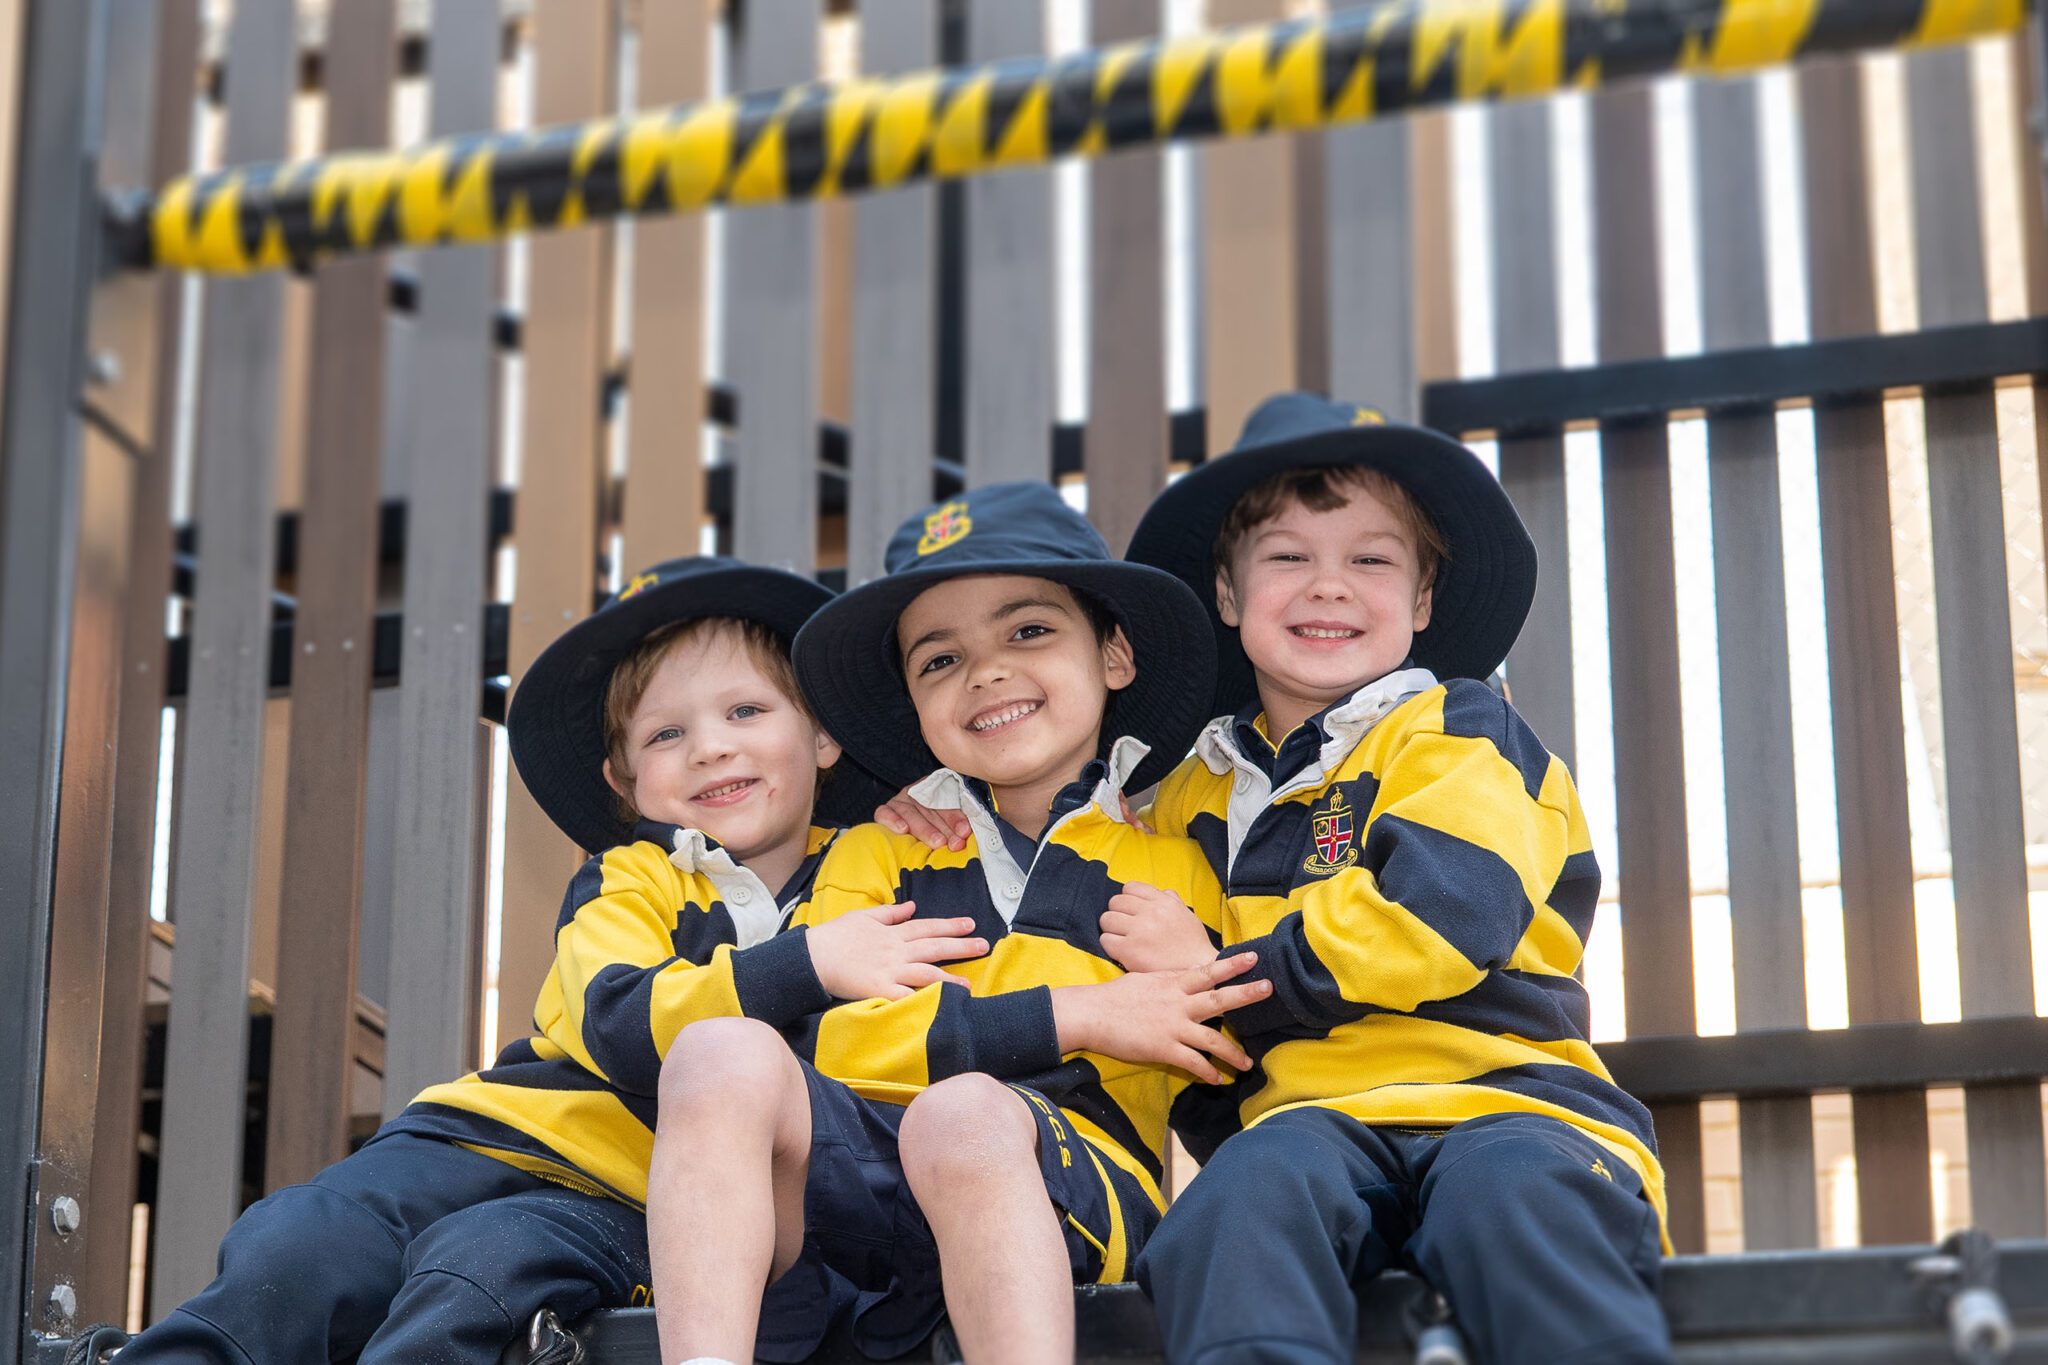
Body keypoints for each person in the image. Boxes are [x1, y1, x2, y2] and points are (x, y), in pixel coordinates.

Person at [115, 557, 980, 1364]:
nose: (711, 747)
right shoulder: (629, 879)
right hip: (504, 1133)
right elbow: (620, 1021)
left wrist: (924, 802)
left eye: (746, 711)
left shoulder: (878, 871)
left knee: (479, 1274)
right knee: (306, 1237)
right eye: (666, 733)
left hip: (655, 1194)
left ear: (825, 738)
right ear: (625, 780)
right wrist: (810, 961)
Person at [647, 484, 1271, 1365]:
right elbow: (834, 1045)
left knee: (963, 1114)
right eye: (940, 660)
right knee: (718, 1048)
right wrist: (1080, 1013)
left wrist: (1197, 969)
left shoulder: (1175, 861)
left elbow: (1214, 1051)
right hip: (865, 1189)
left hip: (1079, 1186)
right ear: (912, 701)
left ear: (1115, 654)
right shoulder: (881, 851)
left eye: (1028, 631)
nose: (984, 672)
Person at [1118, 394, 1672, 1365]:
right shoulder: (1184, 797)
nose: (1326, 586)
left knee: (1516, 1200)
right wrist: (935, 806)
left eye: (1369, 560)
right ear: (1225, 591)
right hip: (1301, 1124)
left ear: (1419, 603)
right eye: (1286, 557)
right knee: (1232, 1204)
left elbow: (1444, 915)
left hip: (1507, 1100)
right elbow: (1109, 934)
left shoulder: (1458, 732)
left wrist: (1219, 974)